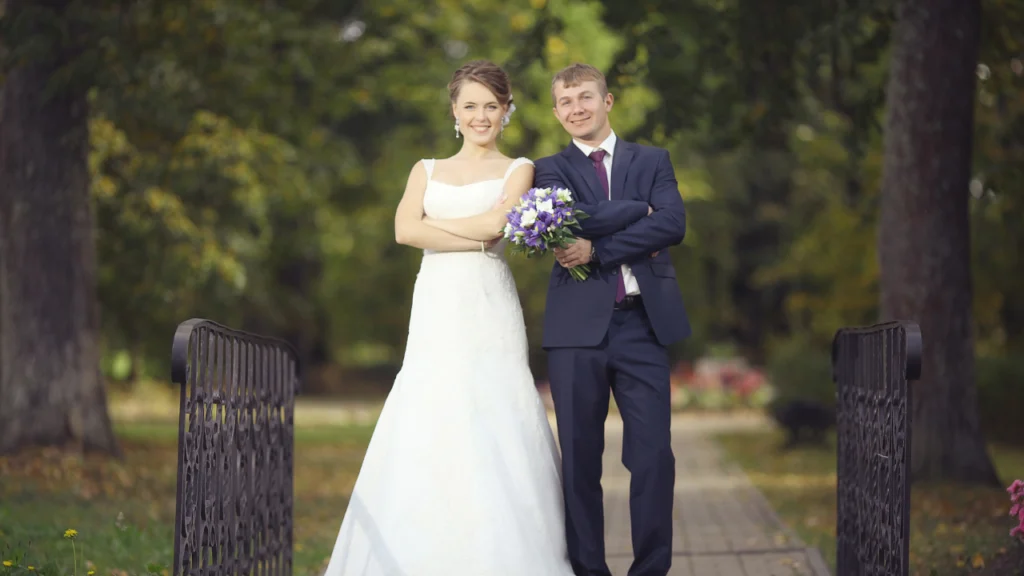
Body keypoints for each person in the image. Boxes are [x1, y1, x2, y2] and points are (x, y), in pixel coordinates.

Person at [322, 60, 574, 576]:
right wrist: (473, 228)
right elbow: (403, 232)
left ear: (506, 111)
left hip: (487, 304)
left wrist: (439, 224)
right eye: (470, 106)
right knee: (430, 405)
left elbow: (496, 230)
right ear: (454, 113)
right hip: (435, 304)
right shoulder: (425, 169)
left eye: (490, 106)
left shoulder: (519, 168)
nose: (480, 116)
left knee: (493, 405)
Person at [533, 63, 691, 576]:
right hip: (575, 334)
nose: (576, 109)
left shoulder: (653, 160)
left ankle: (650, 570)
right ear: (557, 112)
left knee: (653, 458)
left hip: (643, 326)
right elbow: (567, 219)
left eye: (585, 97)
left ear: (608, 100)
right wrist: (637, 211)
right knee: (579, 463)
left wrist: (599, 250)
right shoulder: (548, 169)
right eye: (565, 102)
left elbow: (673, 223)